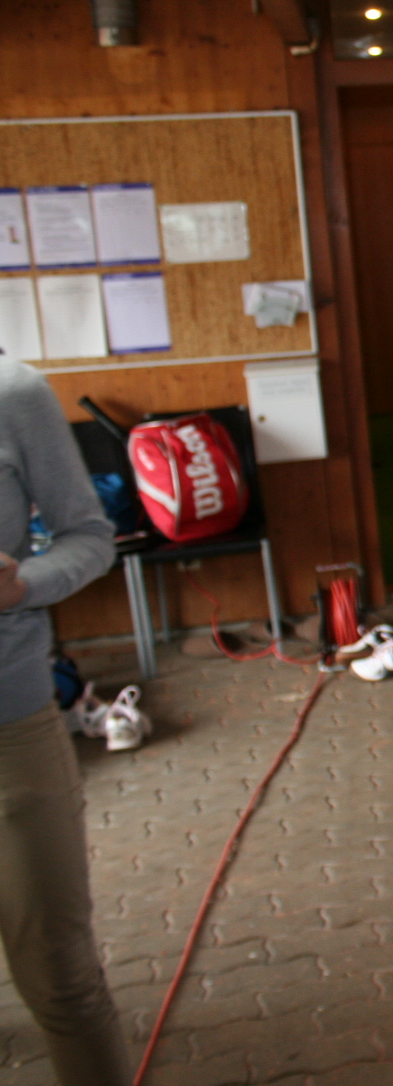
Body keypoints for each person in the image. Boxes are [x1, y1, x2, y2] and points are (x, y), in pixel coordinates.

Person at [0, 355, 130, 1085]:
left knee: (60, 977)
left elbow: (90, 537)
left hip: (9, 724)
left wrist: (21, 586)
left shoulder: (12, 393)